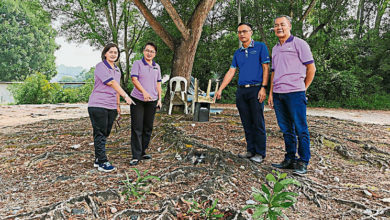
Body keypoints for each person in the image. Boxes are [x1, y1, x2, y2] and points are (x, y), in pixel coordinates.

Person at [215, 22, 270, 163]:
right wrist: (220, 88)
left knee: (257, 122)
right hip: (241, 91)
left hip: (256, 89)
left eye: (244, 31)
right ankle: (250, 150)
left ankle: (260, 153)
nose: (242, 34)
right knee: (246, 122)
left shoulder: (260, 47)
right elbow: (231, 71)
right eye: (239, 32)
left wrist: (264, 87)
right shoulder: (237, 53)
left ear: (251, 32)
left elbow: (265, 68)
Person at [268, 15, 316, 175]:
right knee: (286, 129)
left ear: (289, 26)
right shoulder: (275, 48)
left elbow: (311, 68)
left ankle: (303, 161)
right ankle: (289, 159)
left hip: (295, 93)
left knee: (301, 129)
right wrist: (270, 93)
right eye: (276, 25)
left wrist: (303, 88)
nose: (279, 27)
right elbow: (273, 72)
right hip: (278, 94)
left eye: (282, 24)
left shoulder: (299, 44)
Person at [88, 43, 135, 172]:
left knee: (106, 132)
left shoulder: (117, 70)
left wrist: (117, 105)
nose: (113, 54)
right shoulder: (100, 66)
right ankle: (102, 161)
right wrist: (126, 96)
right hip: (98, 104)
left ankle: (98, 159)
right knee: (100, 133)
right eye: (111, 52)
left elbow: (116, 89)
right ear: (105, 54)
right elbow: (112, 83)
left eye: (115, 52)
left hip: (111, 106)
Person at [129, 42, 162, 166]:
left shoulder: (156, 66)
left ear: (155, 54)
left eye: (152, 51)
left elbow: (158, 83)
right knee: (137, 127)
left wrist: (159, 98)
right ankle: (135, 156)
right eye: (147, 50)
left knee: (148, 127)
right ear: (143, 51)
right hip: (137, 100)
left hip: (152, 100)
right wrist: (144, 92)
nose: (149, 53)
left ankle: (142, 151)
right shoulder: (137, 64)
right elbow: (134, 79)